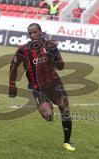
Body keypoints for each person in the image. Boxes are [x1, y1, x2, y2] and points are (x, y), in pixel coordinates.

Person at [9, 23, 75, 151]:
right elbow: (13, 66)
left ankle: (67, 141)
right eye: (30, 33)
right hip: (37, 87)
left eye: (35, 32)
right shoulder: (24, 49)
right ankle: (45, 104)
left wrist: (54, 53)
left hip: (55, 84)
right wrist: (12, 85)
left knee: (65, 109)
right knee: (48, 115)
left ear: (40, 32)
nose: (33, 35)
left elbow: (61, 66)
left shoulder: (50, 46)